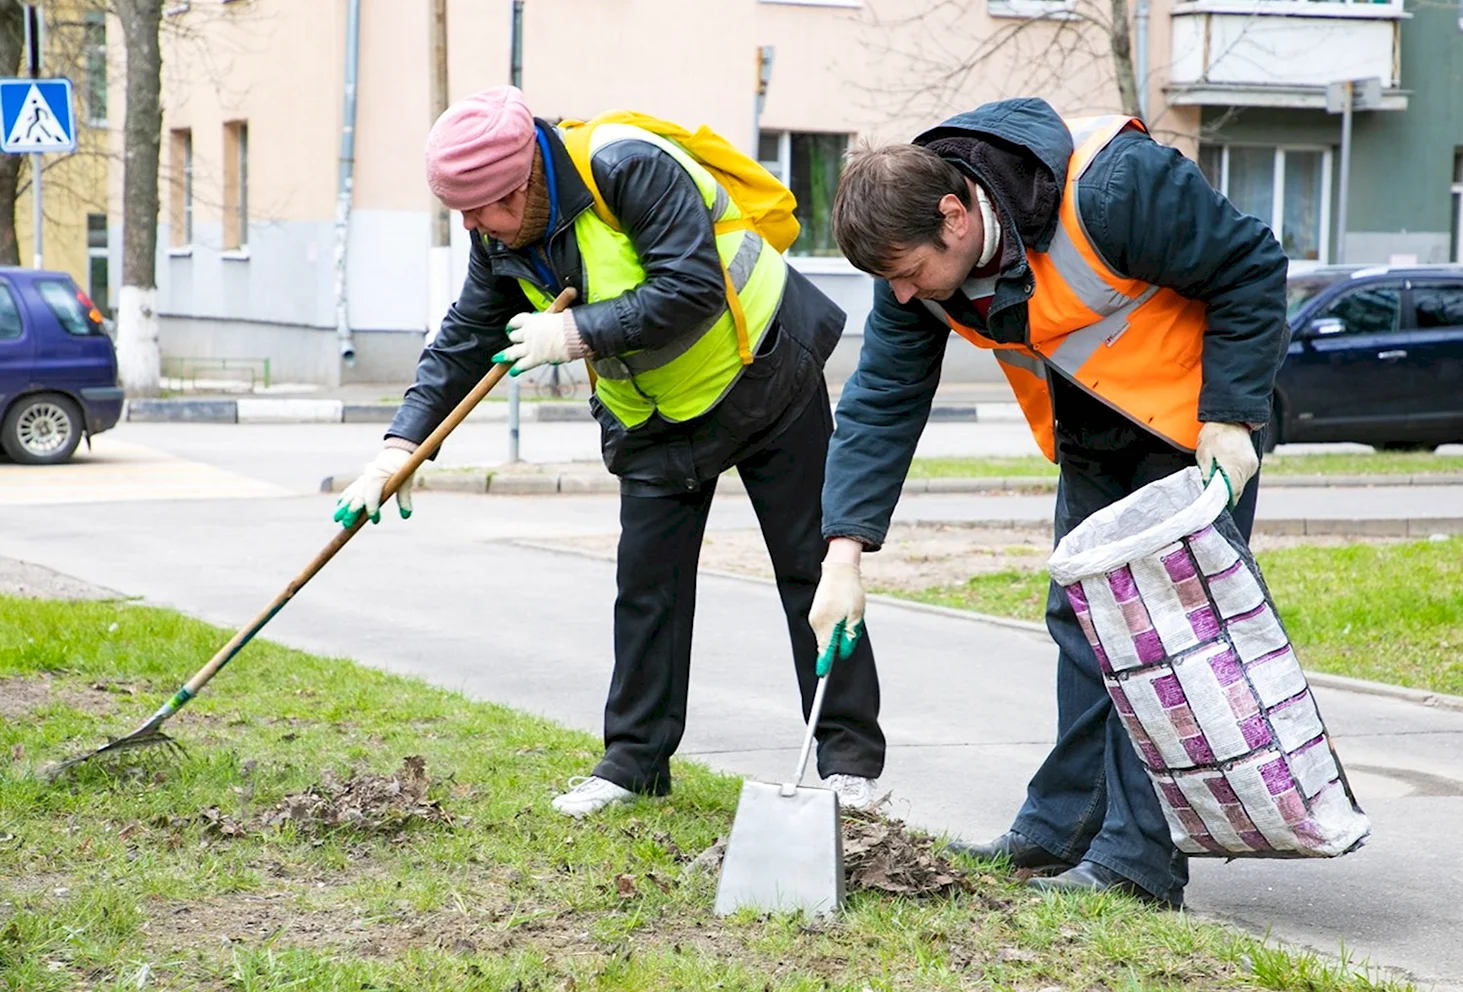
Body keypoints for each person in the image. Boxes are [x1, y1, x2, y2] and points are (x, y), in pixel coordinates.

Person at [333, 86, 885, 818]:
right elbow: (467, 335)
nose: (474, 227)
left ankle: (849, 766)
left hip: (765, 375)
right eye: (461, 213)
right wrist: (399, 448)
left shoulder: (627, 167)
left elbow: (690, 285)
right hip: (655, 417)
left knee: (810, 572)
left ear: (526, 177)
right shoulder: (499, 227)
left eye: (483, 208)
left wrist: (575, 334)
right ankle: (633, 764)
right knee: (646, 588)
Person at [805, 97, 1288, 907]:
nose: (899, 294)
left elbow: (1251, 265)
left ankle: (1138, 864)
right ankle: (1062, 826)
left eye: (905, 272)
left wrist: (1233, 416)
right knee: (1082, 623)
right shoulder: (916, 275)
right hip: (1093, 436)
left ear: (954, 216)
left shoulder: (1112, 186)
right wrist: (842, 554)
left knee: (1160, 638)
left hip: (1199, 433)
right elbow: (881, 401)